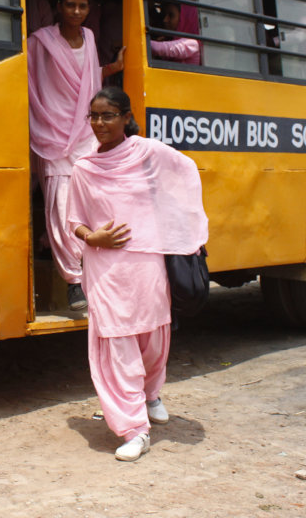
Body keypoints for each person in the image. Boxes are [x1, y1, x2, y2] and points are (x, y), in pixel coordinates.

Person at [67, 87, 208, 461]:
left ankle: (151, 394)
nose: (99, 123)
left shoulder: (148, 154)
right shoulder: (83, 168)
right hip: (105, 270)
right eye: (93, 116)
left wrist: (180, 233)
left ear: (126, 117)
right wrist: (92, 237)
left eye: (108, 115)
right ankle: (134, 428)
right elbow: (74, 221)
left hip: (147, 266)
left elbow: (186, 175)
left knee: (152, 339)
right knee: (117, 344)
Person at [28, 0, 124, 312]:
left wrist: (112, 69)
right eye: (70, 5)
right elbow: (26, 73)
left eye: (82, 6)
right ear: (58, 5)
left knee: (90, 201)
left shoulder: (92, 38)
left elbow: (90, 82)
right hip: (51, 133)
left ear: (89, 8)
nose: (76, 12)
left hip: (85, 131)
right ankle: (74, 281)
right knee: (59, 205)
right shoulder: (41, 41)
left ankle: (92, 269)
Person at [150, 0, 201, 66]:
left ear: (184, 19)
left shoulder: (192, 43)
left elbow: (157, 48)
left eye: (171, 15)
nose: (165, 20)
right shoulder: (171, 39)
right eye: (164, 15)